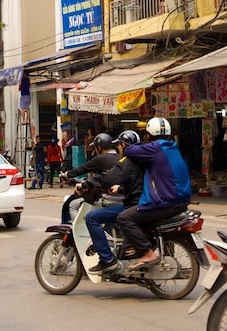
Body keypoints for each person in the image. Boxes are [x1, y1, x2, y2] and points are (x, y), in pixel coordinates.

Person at [117, 117, 192, 270]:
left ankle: (147, 253)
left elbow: (130, 150)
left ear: (149, 135)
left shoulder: (154, 148)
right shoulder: (172, 146)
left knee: (124, 218)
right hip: (181, 201)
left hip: (166, 202)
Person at [82, 131, 144, 273]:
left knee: (92, 217)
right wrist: (120, 188)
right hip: (139, 201)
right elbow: (136, 183)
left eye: (120, 146)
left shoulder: (127, 161)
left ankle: (107, 259)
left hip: (132, 205)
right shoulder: (142, 161)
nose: (118, 149)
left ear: (124, 145)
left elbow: (107, 178)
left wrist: (85, 185)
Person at [59, 132, 124, 224]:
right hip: (123, 197)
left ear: (99, 147)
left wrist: (66, 175)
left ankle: (78, 232)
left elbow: (83, 169)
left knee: (73, 205)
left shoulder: (100, 159)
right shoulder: (121, 159)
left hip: (108, 198)